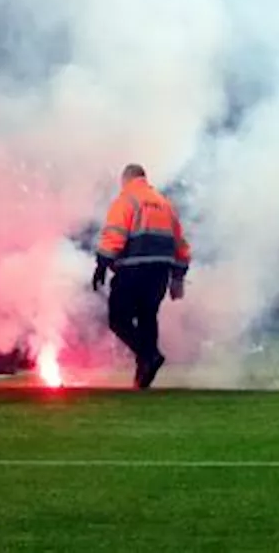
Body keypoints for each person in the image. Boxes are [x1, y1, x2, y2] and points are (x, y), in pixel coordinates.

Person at [93, 163, 190, 390]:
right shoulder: (166, 205)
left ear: (125, 180)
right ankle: (144, 375)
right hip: (159, 273)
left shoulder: (127, 200)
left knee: (118, 319)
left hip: (132, 270)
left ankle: (149, 356)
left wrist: (101, 265)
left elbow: (114, 235)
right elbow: (182, 247)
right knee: (148, 317)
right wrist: (178, 277)